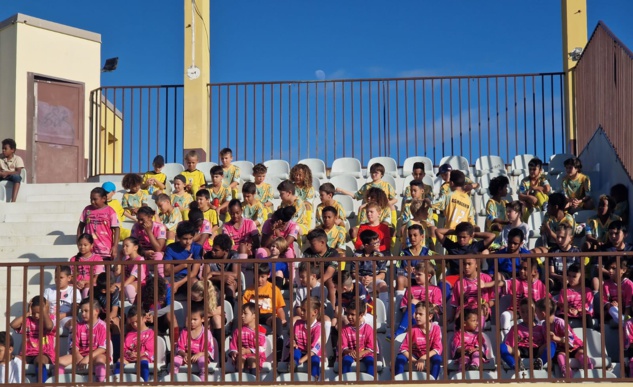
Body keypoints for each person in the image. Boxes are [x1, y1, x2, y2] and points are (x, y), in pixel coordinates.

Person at [483, 258, 546, 336]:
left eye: (525, 269)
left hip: (534, 312)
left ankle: (540, 338)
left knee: (542, 318)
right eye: (521, 268)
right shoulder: (515, 281)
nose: (522, 271)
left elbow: (547, 300)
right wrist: (485, 285)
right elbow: (500, 282)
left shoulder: (540, 285)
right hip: (516, 311)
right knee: (504, 316)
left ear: (534, 272)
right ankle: (508, 339)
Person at [536, 298, 591, 378]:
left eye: (536, 312)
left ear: (543, 314)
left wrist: (556, 338)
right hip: (561, 349)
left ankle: (590, 373)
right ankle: (569, 377)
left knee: (581, 354)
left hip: (573, 346)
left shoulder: (560, 322)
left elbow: (571, 340)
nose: (535, 315)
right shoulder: (544, 325)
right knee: (560, 357)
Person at [57, 298, 108, 382]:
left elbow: (102, 348)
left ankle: (100, 382)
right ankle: (60, 383)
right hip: (80, 354)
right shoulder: (77, 326)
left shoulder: (103, 326)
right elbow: (73, 345)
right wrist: (78, 356)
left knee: (100, 359)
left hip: (95, 355)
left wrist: (87, 358)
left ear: (96, 311)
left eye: (86, 311)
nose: (83, 314)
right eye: (82, 311)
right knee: (59, 361)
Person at [500, 298, 554, 371]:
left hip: (537, 350)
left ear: (535, 312)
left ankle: (539, 363)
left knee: (552, 344)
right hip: (519, 351)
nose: (525, 314)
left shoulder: (541, 328)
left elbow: (546, 344)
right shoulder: (515, 328)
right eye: (523, 312)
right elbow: (510, 345)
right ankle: (515, 365)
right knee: (502, 347)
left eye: (528, 311)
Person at [10, 296, 55, 383]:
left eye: (39, 312)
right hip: (26, 353)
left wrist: (45, 312)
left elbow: (49, 326)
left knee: (40, 360)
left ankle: (41, 383)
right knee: (14, 360)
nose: (36, 315)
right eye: (34, 313)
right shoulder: (28, 320)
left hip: (44, 353)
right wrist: (27, 313)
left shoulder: (50, 319)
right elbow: (13, 325)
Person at [393, 261, 442, 338]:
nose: (416, 277)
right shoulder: (411, 289)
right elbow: (404, 308)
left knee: (414, 302)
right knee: (413, 308)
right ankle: (413, 329)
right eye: (415, 274)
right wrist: (414, 312)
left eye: (419, 274)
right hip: (413, 317)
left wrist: (418, 304)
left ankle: (399, 330)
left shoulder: (436, 289)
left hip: (430, 317)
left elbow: (436, 308)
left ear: (429, 276)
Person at [395, 303, 442, 379]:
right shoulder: (412, 329)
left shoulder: (436, 328)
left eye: (420, 314)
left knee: (438, 359)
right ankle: (398, 382)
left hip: (428, 355)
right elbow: (403, 348)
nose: (417, 316)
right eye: (416, 313)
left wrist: (423, 358)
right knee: (400, 359)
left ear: (430, 316)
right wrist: (415, 361)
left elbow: (437, 349)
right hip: (414, 354)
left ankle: (433, 382)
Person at [172, 303, 215, 381]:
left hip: (201, 355)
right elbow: (179, 347)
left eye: (195, 319)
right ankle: (173, 379)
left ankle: (202, 381)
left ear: (203, 319)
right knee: (175, 360)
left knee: (203, 361)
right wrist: (184, 354)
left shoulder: (206, 333)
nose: (191, 322)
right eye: (190, 319)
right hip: (185, 356)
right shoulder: (184, 332)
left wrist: (199, 354)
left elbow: (210, 350)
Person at [449, 258, 495, 329]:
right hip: (465, 309)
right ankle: (458, 338)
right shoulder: (459, 282)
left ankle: (477, 336)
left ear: (476, 265)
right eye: (464, 264)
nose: (466, 267)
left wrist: (487, 304)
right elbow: (455, 305)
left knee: (480, 311)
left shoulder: (486, 278)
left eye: (469, 264)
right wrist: (452, 318)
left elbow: (494, 299)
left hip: (481, 308)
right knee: (458, 316)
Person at [350, 230, 389, 313]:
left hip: (374, 279)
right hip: (360, 279)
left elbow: (382, 274)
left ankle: (385, 312)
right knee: (354, 286)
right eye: (375, 243)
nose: (378, 244)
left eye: (378, 241)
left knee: (383, 285)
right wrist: (361, 278)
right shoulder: (357, 255)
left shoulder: (379, 255)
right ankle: (359, 311)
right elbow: (353, 273)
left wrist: (371, 278)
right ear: (366, 245)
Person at [77, 187, 120, 260]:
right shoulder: (87, 210)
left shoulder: (110, 211)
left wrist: (115, 246)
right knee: (91, 270)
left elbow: (116, 229)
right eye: (91, 199)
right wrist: (79, 242)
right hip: (89, 250)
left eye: (95, 199)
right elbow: (80, 226)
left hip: (105, 250)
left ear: (103, 199)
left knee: (104, 271)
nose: (92, 202)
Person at [113, 307, 155, 381]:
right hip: (130, 357)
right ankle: (117, 382)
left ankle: (145, 382)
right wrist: (129, 353)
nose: (135, 324)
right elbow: (124, 348)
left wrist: (138, 354)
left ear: (144, 318)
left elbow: (150, 349)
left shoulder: (151, 333)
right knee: (120, 360)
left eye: (137, 321)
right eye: (132, 323)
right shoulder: (130, 334)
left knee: (143, 360)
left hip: (143, 356)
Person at [536, 223, 581, 291]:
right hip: (557, 280)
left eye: (562, 237)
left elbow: (578, 271)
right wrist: (560, 277)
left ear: (570, 238)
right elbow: (551, 273)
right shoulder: (552, 251)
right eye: (557, 237)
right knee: (548, 282)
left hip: (572, 280)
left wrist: (569, 278)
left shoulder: (577, 251)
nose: (559, 240)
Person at [243, 264, 287, 332]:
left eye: (262, 277)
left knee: (276, 321)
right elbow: (244, 308)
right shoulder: (249, 291)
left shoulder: (274, 289)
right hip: (253, 315)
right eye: (257, 276)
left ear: (268, 275)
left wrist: (283, 319)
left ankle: (279, 339)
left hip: (268, 315)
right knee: (238, 320)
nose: (259, 279)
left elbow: (279, 309)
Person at [302, 228, 340, 307]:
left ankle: (331, 309)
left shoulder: (333, 253)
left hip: (326, 278)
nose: (311, 246)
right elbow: (305, 268)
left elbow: (330, 272)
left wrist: (318, 282)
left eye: (313, 244)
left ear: (322, 242)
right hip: (312, 277)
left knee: (331, 282)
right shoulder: (308, 253)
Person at [163, 221, 203, 295]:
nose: (188, 242)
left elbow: (194, 273)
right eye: (185, 239)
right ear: (178, 237)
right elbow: (167, 272)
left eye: (190, 238)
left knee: (195, 283)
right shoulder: (170, 248)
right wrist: (183, 265)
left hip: (188, 279)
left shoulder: (198, 248)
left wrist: (178, 284)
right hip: (174, 278)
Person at [228, 303, 267, 374]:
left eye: (245, 314)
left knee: (252, 361)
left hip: (256, 355)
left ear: (254, 315)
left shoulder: (260, 331)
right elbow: (233, 344)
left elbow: (262, 347)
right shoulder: (238, 331)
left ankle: (253, 381)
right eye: (241, 314)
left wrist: (248, 351)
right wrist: (234, 352)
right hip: (241, 354)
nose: (242, 316)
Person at [341, 299, 377, 376]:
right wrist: (350, 352)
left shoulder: (368, 328)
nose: (349, 317)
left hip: (365, 355)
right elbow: (343, 348)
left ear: (361, 315)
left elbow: (371, 348)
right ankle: (347, 382)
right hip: (350, 354)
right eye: (348, 314)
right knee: (346, 361)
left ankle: (371, 382)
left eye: (352, 314)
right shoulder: (344, 329)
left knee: (371, 363)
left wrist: (360, 354)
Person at [291, 297, 323, 380]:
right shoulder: (298, 323)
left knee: (315, 360)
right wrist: (293, 342)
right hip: (300, 351)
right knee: (296, 352)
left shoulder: (319, 328)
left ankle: (314, 380)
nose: (301, 312)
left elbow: (315, 349)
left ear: (315, 312)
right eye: (301, 309)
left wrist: (301, 361)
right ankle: (292, 367)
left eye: (304, 310)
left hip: (312, 354)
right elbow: (293, 339)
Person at [131, 206, 167, 278]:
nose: (140, 222)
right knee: (127, 255)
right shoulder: (136, 227)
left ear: (150, 217)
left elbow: (158, 249)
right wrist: (144, 253)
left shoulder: (160, 227)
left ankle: (161, 279)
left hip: (155, 255)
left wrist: (148, 231)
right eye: (138, 219)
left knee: (158, 255)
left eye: (142, 219)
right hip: (142, 254)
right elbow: (132, 246)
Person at [203, 234, 240, 303]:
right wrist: (221, 278)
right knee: (207, 287)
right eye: (212, 248)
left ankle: (230, 308)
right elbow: (206, 277)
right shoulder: (208, 256)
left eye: (216, 250)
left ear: (225, 251)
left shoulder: (234, 255)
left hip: (230, 282)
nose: (212, 252)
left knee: (230, 285)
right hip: (214, 282)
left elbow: (235, 274)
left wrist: (213, 273)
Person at [112, 237, 147, 303]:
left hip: (140, 283)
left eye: (127, 246)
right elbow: (117, 273)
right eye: (123, 246)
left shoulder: (140, 260)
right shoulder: (127, 260)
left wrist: (121, 285)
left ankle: (135, 305)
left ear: (135, 247)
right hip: (127, 282)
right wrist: (120, 257)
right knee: (114, 285)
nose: (124, 248)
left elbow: (132, 277)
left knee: (128, 287)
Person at [602, 257, 633, 323]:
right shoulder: (606, 283)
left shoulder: (629, 284)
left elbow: (628, 306)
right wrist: (610, 304)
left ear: (624, 270)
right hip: (612, 311)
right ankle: (625, 324)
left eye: (614, 268)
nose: (610, 270)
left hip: (626, 311)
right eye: (609, 268)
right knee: (612, 309)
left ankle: (624, 323)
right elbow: (604, 300)